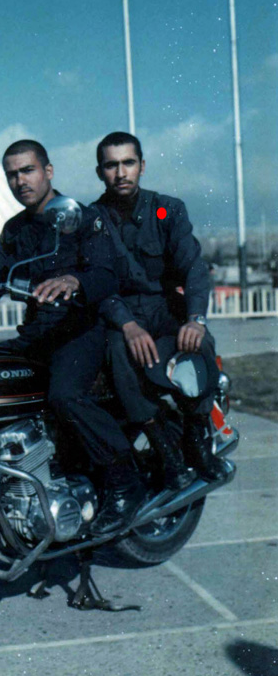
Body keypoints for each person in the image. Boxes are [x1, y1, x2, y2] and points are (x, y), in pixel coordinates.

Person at [0, 139, 145, 535]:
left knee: (64, 396)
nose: (20, 181)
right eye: (12, 174)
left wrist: (75, 281)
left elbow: (107, 275)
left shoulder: (84, 218)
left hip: (80, 331)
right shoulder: (16, 229)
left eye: (28, 170)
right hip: (37, 333)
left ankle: (125, 479)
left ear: (48, 171)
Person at [91, 131, 226, 490]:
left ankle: (197, 436)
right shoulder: (92, 220)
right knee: (118, 353)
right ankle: (165, 450)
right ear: (100, 172)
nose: (121, 172)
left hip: (164, 307)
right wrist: (127, 324)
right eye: (111, 165)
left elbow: (193, 268)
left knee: (201, 342)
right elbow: (97, 283)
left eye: (128, 163)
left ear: (142, 166)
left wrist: (195, 319)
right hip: (123, 313)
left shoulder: (167, 210)